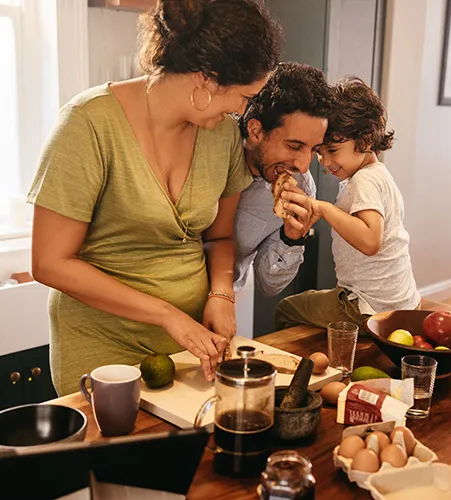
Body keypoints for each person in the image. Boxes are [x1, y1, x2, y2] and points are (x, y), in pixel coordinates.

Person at [27, 0, 281, 396]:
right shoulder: (88, 123)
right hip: (101, 344)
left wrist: (221, 293)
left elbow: (219, 238)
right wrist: (166, 314)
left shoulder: (224, 135)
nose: (244, 110)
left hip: (188, 342)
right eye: (245, 96)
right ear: (207, 79)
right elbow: (49, 263)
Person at [275, 77, 420, 330]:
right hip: (404, 304)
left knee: (287, 309)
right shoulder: (379, 173)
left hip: (367, 308)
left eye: (332, 150)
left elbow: (370, 240)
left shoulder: (364, 181)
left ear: (364, 141)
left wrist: (323, 208)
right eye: (319, 152)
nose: (324, 161)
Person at [234, 63, 334, 296]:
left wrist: (291, 239)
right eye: (294, 146)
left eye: (313, 149)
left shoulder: (303, 185)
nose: (303, 165)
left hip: (222, 306)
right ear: (256, 131)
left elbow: (269, 286)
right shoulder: (215, 154)